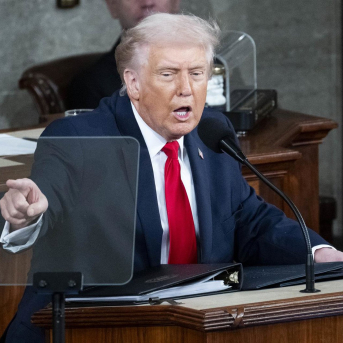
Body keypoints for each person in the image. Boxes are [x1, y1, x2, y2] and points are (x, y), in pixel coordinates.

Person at [1, 13, 343, 343]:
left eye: (196, 73)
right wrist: (25, 215)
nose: (186, 89)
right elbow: (46, 199)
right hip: (85, 328)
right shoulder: (79, 139)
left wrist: (318, 251)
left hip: (188, 325)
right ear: (133, 82)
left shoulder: (213, 135)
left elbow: (251, 221)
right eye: (168, 74)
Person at [67, 0, 181, 109]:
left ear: (175, 1)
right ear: (112, 5)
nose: (147, 3)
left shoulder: (197, 64)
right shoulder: (89, 85)